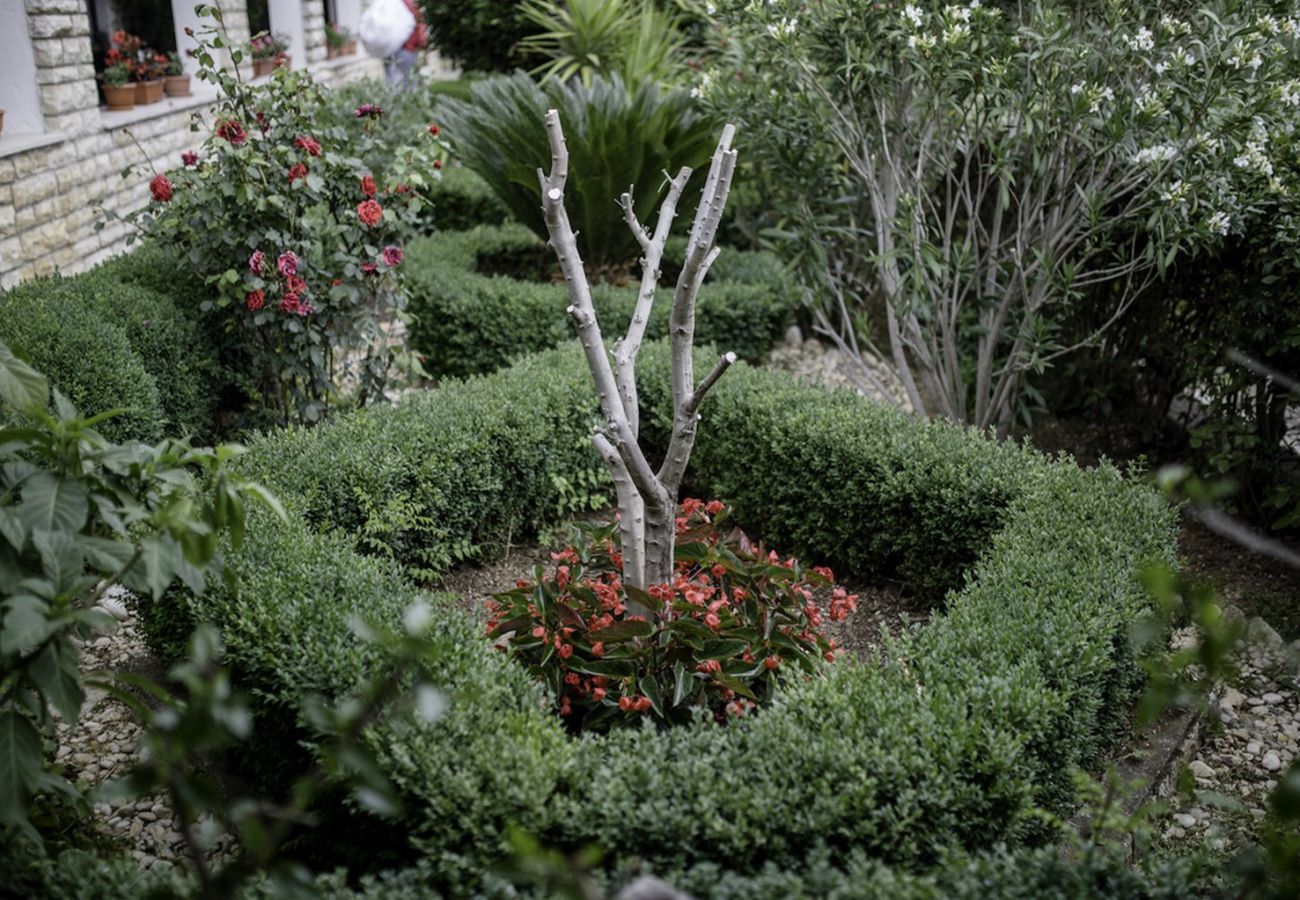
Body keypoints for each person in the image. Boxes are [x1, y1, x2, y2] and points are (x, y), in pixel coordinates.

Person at [385, 0, 427, 90]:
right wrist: (422, 43)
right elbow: (420, 25)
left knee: (392, 83)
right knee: (410, 83)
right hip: (408, 50)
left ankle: (392, 102)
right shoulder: (412, 4)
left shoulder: (391, 3)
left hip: (390, 49)